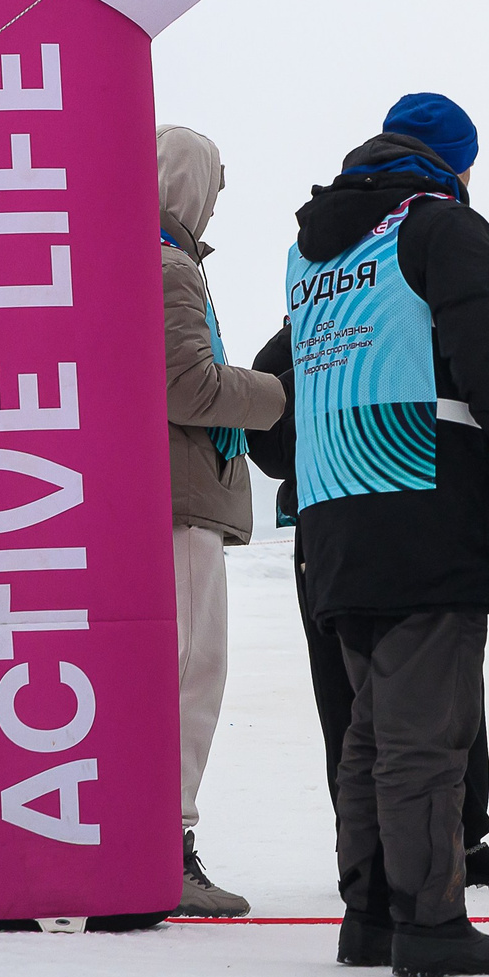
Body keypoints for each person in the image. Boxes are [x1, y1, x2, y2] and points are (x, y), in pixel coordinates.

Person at [284, 93, 489, 977]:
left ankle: (369, 916)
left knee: (369, 731)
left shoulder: (311, 247)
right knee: (425, 735)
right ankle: (431, 922)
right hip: (424, 500)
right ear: (456, 162)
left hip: (335, 504)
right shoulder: (441, 226)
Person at [246, 333, 489, 892]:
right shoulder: (294, 343)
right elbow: (271, 449)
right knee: (352, 703)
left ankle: (461, 838)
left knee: (448, 691)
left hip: (428, 515)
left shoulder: (422, 315)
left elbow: (482, 403)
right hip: (335, 528)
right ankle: (373, 864)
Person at [157, 126, 288, 919]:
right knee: (191, 673)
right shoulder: (171, 267)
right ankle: (166, 846)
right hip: (180, 506)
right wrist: (279, 392)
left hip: (180, 502)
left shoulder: (165, 261)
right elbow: (188, 388)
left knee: (185, 672)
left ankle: (159, 841)